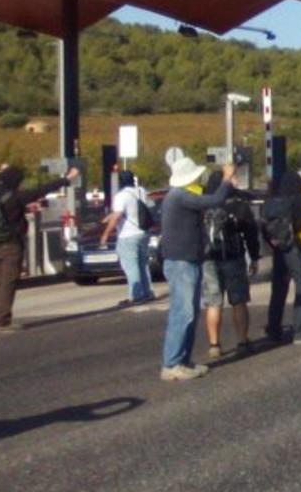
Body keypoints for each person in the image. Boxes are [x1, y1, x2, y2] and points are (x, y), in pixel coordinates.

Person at [158, 148, 236, 381]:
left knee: (189, 312)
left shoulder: (178, 196)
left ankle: (182, 360)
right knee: (183, 313)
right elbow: (215, 200)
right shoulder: (180, 196)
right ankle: (172, 363)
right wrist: (226, 179)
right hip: (181, 262)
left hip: (186, 260)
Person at [0, 163, 75, 334]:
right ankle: (3, 321)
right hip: (12, 244)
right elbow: (41, 190)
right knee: (8, 282)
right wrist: (66, 180)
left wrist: (1, 171)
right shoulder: (16, 197)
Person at [200, 163, 262, 360]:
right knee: (239, 301)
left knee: (213, 303)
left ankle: (214, 345)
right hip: (233, 257)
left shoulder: (202, 204)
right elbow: (250, 232)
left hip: (208, 259)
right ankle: (242, 340)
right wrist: (254, 256)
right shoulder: (237, 203)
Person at [262, 167, 301, 345]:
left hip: (279, 248)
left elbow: (263, 226)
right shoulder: (298, 201)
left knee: (279, 290)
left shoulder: (271, 202)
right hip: (295, 246)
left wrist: (272, 242)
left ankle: (274, 329)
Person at [99, 170, 155, 305]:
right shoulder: (141, 191)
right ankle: (148, 292)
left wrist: (105, 234)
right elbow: (149, 206)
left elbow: (118, 215)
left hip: (127, 235)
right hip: (143, 232)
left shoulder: (121, 196)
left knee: (131, 266)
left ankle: (136, 296)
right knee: (142, 264)